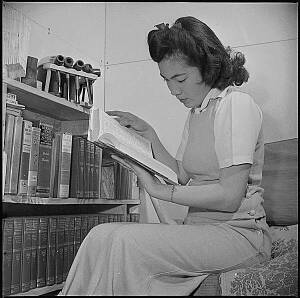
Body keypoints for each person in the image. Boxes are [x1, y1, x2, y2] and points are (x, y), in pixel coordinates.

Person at [59, 16, 272, 296]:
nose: (173, 90)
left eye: (180, 78)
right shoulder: (196, 112)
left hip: (240, 234)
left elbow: (230, 195)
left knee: (124, 241)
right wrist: (149, 134)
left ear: (207, 68)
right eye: (166, 80)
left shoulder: (237, 106)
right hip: (199, 229)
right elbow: (183, 174)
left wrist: (159, 190)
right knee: (100, 236)